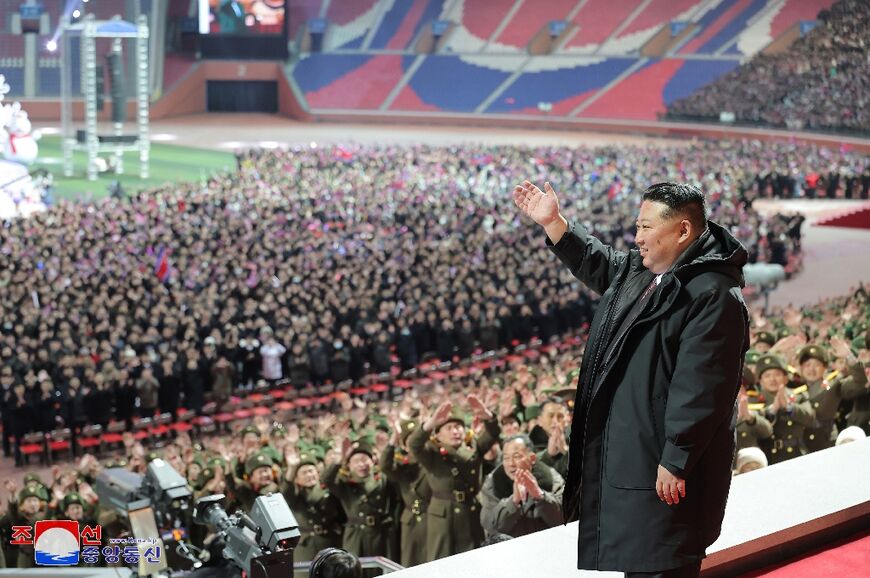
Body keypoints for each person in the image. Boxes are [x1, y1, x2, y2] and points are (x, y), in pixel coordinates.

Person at [513, 181, 749, 577]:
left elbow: (704, 388)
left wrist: (677, 458)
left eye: (644, 228)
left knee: (663, 560)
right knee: (640, 560)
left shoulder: (713, 294)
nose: (635, 238)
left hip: (665, 468)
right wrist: (555, 224)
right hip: (637, 457)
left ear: (683, 231)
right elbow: (601, 264)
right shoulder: (648, 270)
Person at [479, 433, 564, 538]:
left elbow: (565, 517)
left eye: (516, 456)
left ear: (532, 458)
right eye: (506, 458)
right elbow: (490, 526)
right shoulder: (492, 483)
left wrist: (540, 496)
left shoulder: (551, 477)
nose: (510, 463)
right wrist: (513, 502)